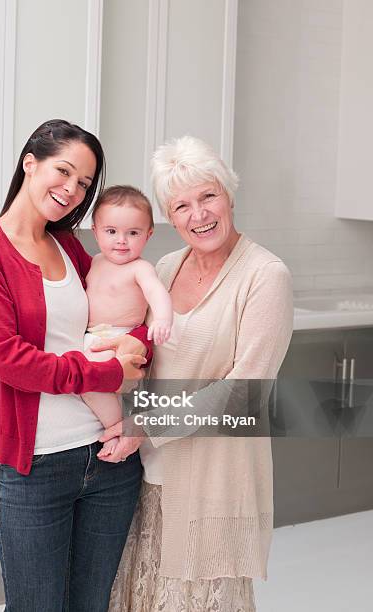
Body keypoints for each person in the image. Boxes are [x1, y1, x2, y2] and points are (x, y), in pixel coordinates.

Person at [0, 119, 152, 612]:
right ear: (30, 163)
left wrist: (137, 362)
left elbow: (123, 313)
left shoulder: (69, 245)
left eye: (84, 183)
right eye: (63, 171)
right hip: (35, 467)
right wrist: (109, 373)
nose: (71, 190)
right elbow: (8, 361)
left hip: (110, 460)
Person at [96, 136, 294, 611]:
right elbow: (142, 354)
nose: (198, 214)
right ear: (168, 215)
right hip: (146, 474)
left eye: (208, 196)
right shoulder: (163, 267)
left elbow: (244, 396)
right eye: (181, 205)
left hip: (216, 477)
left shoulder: (265, 275)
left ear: (229, 195)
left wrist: (144, 424)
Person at [82, 185, 173, 457]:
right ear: (95, 231)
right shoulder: (94, 262)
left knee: (89, 383)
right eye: (111, 232)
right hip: (92, 336)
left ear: (148, 234)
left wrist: (162, 319)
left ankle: (115, 429)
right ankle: (113, 424)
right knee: (83, 383)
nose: (121, 240)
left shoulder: (140, 268)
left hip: (119, 339)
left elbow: (157, 292)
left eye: (133, 233)